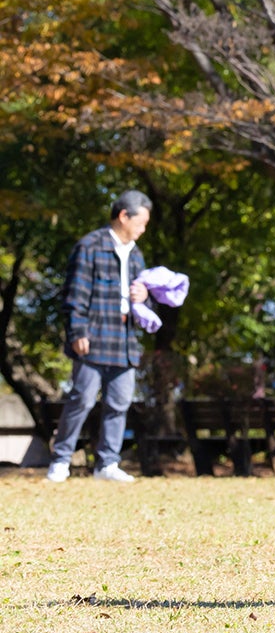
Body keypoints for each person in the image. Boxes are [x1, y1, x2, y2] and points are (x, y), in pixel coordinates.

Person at [47, 190, 154, 483]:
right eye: (141, 223)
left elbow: (146, 302)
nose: (143, 230)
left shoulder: (136, 254)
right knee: (81, 398)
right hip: (94, 335)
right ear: (123, 216)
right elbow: (75, 294)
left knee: (119, 403)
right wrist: (77, 331)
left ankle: (107, 463)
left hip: (125, 338)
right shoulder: (90, 246)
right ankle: (60, 460)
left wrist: (144, 296)